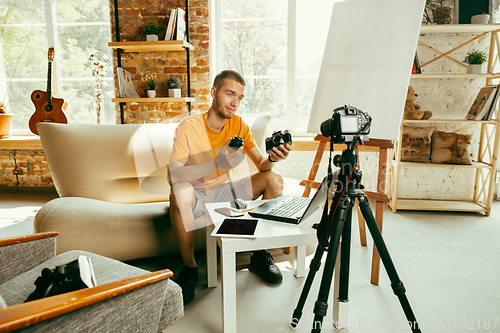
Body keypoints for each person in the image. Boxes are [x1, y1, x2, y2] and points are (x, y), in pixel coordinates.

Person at [168, 70, 292, 305]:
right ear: (214, 92)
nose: (234, 102)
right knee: (179, 190)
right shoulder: (189, 126)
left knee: (273, 179)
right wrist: (217, 163)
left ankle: (258, 256)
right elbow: (172, 175)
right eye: (229, 94)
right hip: (194, 195)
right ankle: (190, 268)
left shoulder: (238, 125)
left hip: (223, 192)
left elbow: (261, 165)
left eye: (240, 97)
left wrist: (274, 157)